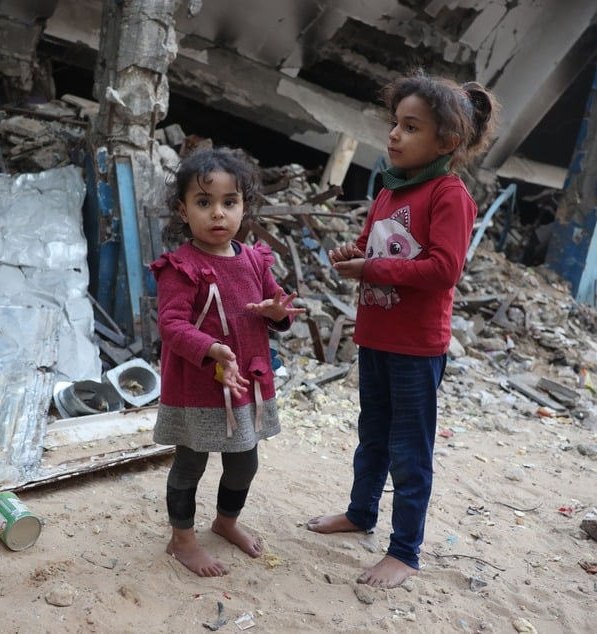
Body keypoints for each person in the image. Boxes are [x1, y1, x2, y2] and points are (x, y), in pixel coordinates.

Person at [306, 69, 499, 588]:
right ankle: (360, 513)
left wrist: (372, 268)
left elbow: (443, 270)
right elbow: (374, 246)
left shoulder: (449, 195)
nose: (394, 134)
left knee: (409, 452)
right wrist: (353, 254)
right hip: (376, 337)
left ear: (447, 141)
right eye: (395, 123)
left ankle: (405, 551)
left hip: (416, 348)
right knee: (372, 436)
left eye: (411, 127)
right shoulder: (390, 192)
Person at [149, 146, 306, 577]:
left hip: (245, 385)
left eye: (229, 202)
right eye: (204, 203)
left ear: (243, 207)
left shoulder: (254, 259)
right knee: (191, 462)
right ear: (182, 211)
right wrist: (211, 349)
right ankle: (182, 540)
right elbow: (171, 325)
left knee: (245, 461)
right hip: (198, 385)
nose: (217, 214)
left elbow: (278, 305)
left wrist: (279, 313)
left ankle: (225, 522)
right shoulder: (181, 267)